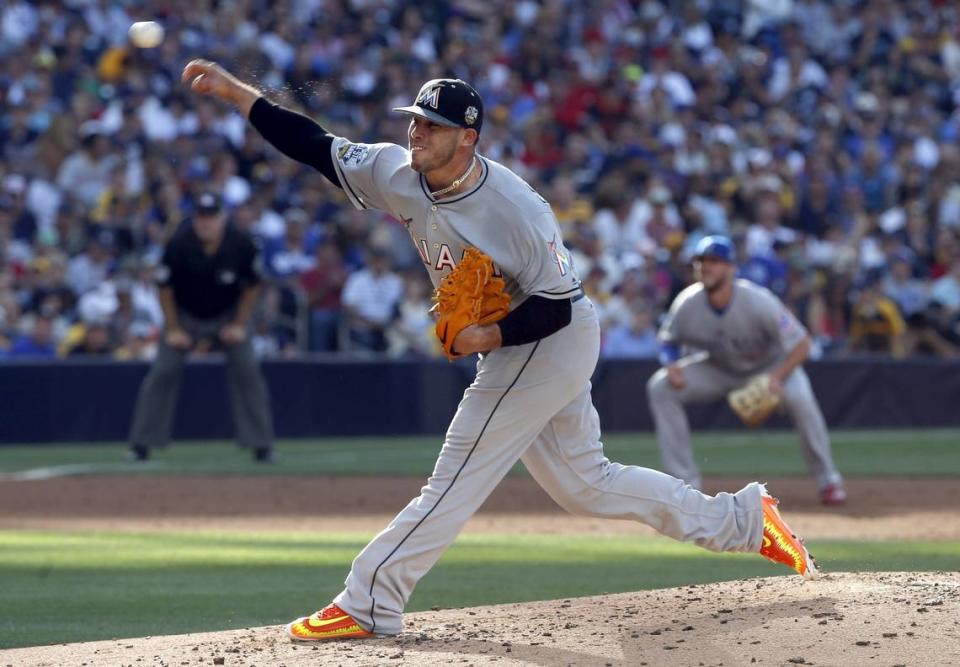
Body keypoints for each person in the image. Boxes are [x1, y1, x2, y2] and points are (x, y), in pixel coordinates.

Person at [180, 60, 819, 642]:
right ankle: (744, 520)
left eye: (431, 126)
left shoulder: (515, 208)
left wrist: (486, 335)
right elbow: (313, 147)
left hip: (552, 339)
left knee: (458, 469)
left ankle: (370, 599)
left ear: (467, 138)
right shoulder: (395, 173)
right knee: (585, 485)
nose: (416, 134)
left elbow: (557, 304)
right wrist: (239, 94)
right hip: (525, 346)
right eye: (414, 121)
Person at [647, 236, 846, 506]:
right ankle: (684, 484)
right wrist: (671, 366)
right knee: (661, 387)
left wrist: (777, 378)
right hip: (719, 369)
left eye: (714, 261)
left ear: (731, 268)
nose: (706, 267)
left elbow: (803, 344)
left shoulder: (758, 301)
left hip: (769, 368)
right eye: (701, 261)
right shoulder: (687, 302)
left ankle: (828, 480)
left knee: (800, 398)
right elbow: (668, 340)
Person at [127, 191, 274, 462]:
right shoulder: (179, 244)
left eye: (211, 217)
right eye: (201, 217)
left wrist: (240, 324)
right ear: (194, 219)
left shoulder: (240, 244)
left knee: (248, 370)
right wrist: (172, 329)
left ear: (222, 218)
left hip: (228, 315)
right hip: (186, 315)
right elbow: (164, 289)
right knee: (163, 371)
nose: (206, 223)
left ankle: (262, 445)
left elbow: (253, 286)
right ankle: (141, 444)